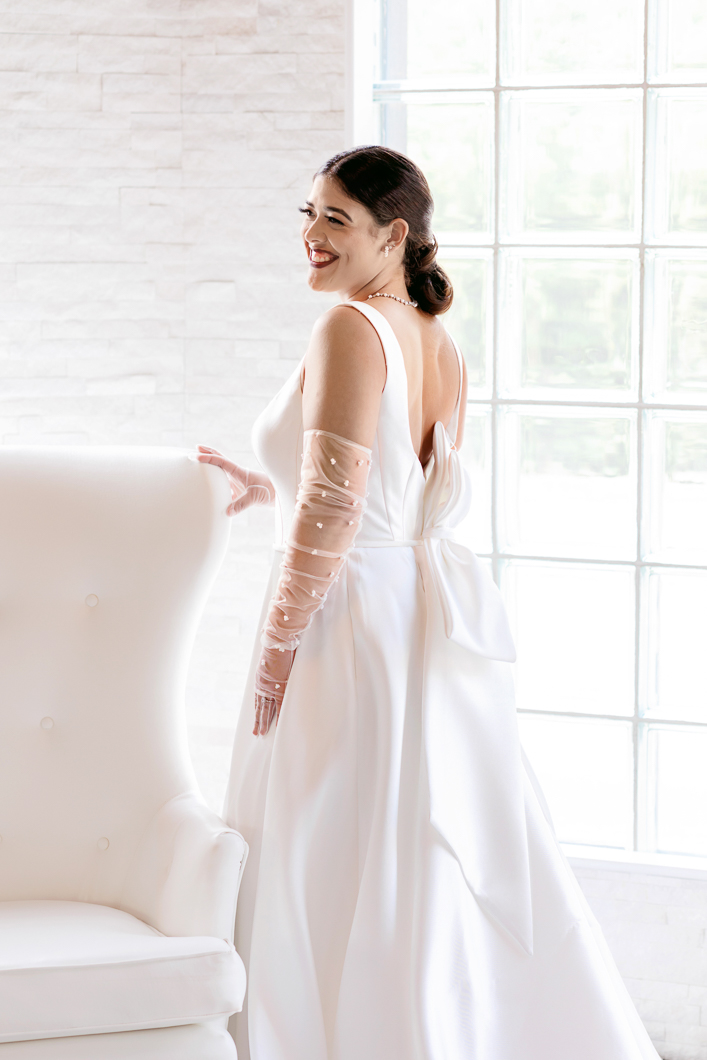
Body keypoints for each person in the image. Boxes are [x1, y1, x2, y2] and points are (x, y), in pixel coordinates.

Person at [198, 146, 659, 1060]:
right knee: (403, 837)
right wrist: (266, 482)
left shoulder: (347, 328)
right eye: (308, 213)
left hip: (342, 619)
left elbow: (339, 505)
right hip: (405, 612)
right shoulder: (434, 338)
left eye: (336, 219)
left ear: (393, 234)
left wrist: (279, 644)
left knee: (326, 838)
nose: (311, 235)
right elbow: (387, 491)